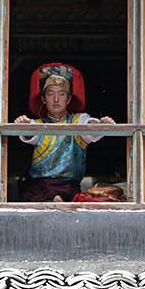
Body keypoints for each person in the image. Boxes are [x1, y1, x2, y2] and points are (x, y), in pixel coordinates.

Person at [15, 63, 115, 202]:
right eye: (50, 94)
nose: (56, 100)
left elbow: (91, 128)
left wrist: (102, 125)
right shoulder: (37, 124)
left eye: (61, 94)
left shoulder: (78, 121)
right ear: (43, 99)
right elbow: (28, 132)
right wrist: (22, 124)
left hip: (69, 189)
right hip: (39, 189)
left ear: (68, 99)